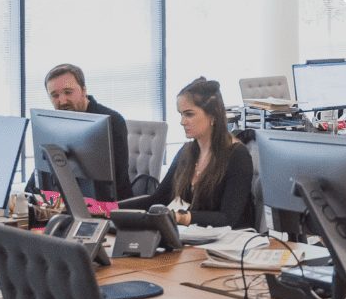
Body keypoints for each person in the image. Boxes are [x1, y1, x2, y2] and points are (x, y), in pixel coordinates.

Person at [123, 78, 254, 228]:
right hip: (193, 236)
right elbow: (157, 199)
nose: (182, 122)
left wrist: (181, 217)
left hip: (230, 238)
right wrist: (107, 208)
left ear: (213, 116)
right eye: (181, 114)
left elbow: (228, 218)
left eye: (189, 114)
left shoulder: (237, 155)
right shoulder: (187, 152)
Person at [44, 63, 132, 201]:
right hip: (70, 200)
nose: (62, 101)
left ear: (84, 90)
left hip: (110, 205)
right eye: (55, 95)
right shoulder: (55, 124)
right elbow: (43, 168)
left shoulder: (112, 120)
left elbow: (117, 179)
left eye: (68, 92)